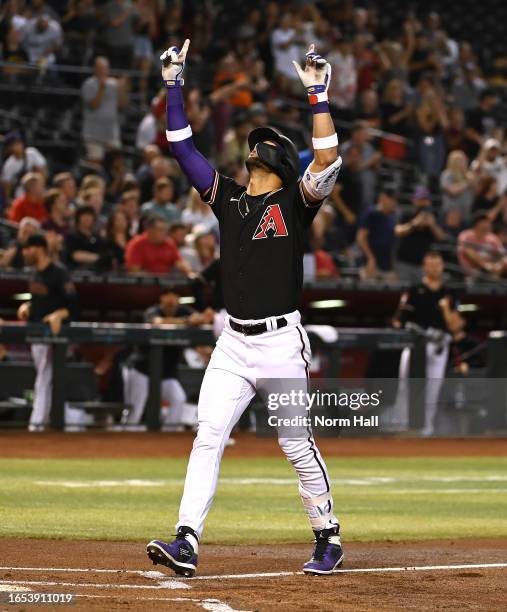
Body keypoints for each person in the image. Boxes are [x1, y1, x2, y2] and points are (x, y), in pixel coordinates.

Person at [147, 40, 344, 577]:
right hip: (233, 343)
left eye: (264, 146)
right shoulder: (230, 199)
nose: (254, 150)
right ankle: (186, 539)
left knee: (295, 443)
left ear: (277, 163)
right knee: (207, 434)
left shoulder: (293, 202)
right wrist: (173, 84)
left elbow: (325, 158)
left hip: (281, 343)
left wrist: (316, 93)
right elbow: (182, 147)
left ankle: (327, 534)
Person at [122, 290, 214, 428]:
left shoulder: (184, 310)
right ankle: (126, 441)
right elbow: (157, 322)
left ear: (178, 299)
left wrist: (200, 319)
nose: (171, 299)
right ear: (161, 298)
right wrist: (187, 321)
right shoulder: (153, 311)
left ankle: (168, 434)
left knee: (178, 399)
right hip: (142, 371)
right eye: (167, 296)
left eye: (174, 296)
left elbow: (200, 319)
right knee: (135, 410)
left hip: (166, 373)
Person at [392, 251, 459, 436]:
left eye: (437, 264)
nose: (434, 268)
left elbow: (456, 326)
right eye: (430, 264)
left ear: (442, 267)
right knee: (406, 382)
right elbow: (399, 319)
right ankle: (402, 423)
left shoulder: (449, 292)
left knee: (433, 387)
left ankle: (426, 427)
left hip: (438, 344)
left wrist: (446, 309)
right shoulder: (414, 290)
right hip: (415, 343)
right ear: (424, 266)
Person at [17, 234, 78, 431]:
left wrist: (60, 314)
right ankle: (69, 420)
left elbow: (74, 306)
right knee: (48, 379)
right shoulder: (34, 273)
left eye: (28, 248)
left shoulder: (59, 273)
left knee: (44, 378)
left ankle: (37, 424)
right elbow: (40, 301)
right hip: (37, 334)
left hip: (55, 337)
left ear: (40, 249)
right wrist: (28, 306)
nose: (24, 252)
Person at [81, 56, 128, 160]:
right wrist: (102, 88)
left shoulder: (114, 84)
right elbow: (93, 105)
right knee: (95, 163)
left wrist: (122, 89)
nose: (103, 72)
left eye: (105, 68)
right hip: (93, 134)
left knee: (116, 162)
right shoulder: (89, 84)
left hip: (111, 133)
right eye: (101, 69)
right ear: (95, 69)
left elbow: (123, 105)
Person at [395, 185, 445, 283]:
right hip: (405, 262)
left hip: (424, 264)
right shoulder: (407, 214)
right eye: (420, 199)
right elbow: (398, 231)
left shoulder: (433, 216)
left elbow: (441, 237)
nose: (422, 202)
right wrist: (414, 224)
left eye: (425, 199)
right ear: (414, 200)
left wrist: (432, 225)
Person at [125, 215, 191, 275]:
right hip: (143, 284)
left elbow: (180, 262)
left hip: (166, 283)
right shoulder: (137, 244)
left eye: (165, 230)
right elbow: (134, 270)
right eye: (161, 230)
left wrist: (189, 272)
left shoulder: (169, 243)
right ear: (149, 230)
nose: (164, 233)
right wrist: (157, 278)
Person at [357, 187, 398, 281]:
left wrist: (393, 266)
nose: (393, 203)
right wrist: (370, 258)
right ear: (382, 198)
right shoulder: (371, 213)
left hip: (386, 266)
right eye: (391, 199)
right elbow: (361, 237)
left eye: (394, 200)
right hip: (370, 264)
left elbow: (392, 243)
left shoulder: (392, 217)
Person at [457, 211, 507, 277]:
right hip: (472, 272)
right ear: (477, 223)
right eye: (484, 221)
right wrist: (486, 265)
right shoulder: (465, 235)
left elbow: (502, 254)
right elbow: (467, 252)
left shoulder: (492, 238)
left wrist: (497, 266)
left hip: (494, 270)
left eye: (488, 222)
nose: (487, 224)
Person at [64, 205, 113, 271]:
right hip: (77, 272)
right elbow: (76, 255)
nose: (87, 218)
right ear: (78, 218)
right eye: (84, 215)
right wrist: (99, 258)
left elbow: (104, 251)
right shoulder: (72, 235)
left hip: (97, 272)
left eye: (90, 215)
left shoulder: (97, 236)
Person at [1, 131, 47, 200]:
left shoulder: (32, 153)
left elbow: (42, 171)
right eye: (14, 144)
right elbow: (7, 186)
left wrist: (39, 187)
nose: (18, 146)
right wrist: (9, 201)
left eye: (19, 142)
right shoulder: (9, 165)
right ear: (9, 148)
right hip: (21, 196)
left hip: (38, 191)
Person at [439, 150, 475, 222]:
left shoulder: (468, 176)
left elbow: (476, 193)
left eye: (465, 159)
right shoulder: (447, 174)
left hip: (465, 215)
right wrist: (467, 183)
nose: (465, 162)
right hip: (451, 215)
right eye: (462, 160)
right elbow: (453, 191)